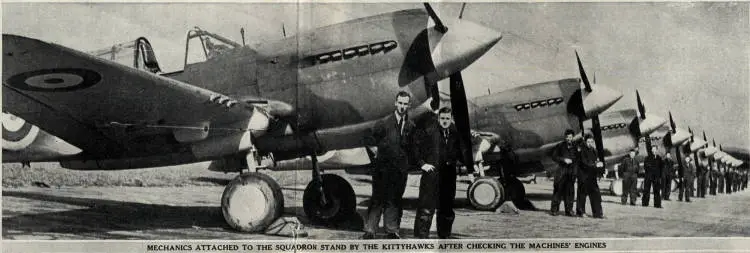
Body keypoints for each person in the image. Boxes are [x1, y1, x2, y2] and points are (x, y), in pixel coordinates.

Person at [362, 91, 417, 239]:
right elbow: (368, 138)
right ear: (395, 103)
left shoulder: (411, 125)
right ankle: (369, 230)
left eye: (405, 104)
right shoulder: (383, 123)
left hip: (399, 170)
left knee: (395, 199)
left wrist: (407, 163)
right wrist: (376, 155)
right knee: (377, 199)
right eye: (400, 103)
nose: (402, 106)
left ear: (409, 105)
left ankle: (392, 231)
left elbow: (412, 147)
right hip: (382, 168)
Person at [413, 107, 467, 239]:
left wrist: (468, 141)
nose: (445, 121)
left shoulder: (455, 132)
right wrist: (422, 164)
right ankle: (421, 237)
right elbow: (415, 147)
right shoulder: (429, 130)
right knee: (426, 207)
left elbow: (461, 153)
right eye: (442, 118)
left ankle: (444, 236)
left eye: (447, 118)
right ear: (438, 118)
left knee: (447, 207)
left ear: (451, 119)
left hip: (448, 175)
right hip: (432, 174)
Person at [550, 129, 579, 216]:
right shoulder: (560, 146)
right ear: (565, 137)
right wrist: (563, 159)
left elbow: (578, 159)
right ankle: (554, 210)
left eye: (570, 137)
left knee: (570, 192)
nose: (568, 139)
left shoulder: (576, 147)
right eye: (567, 137)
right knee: (558, 190)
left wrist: (575, 171)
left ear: (573, 137)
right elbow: (554, 156)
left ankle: (569, 210)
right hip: (561, 171)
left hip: (571, 172)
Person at [575, 134, 604, 218]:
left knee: (596, 194)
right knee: (582, 194)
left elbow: (596, 161)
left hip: (592, 176)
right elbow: (584, 163)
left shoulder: (594, 150)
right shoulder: (582, 150)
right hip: (583, 176)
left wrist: (600, 165)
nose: (590, 143)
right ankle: (580, 212)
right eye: (588, 142)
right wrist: (595, 165)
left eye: (591, 141)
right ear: (585, 142)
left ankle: (597, 213)